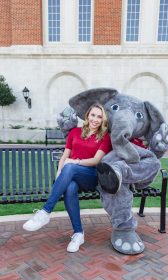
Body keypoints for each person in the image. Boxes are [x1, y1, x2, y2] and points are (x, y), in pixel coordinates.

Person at [23, 104, 112, 252]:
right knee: (69, 187)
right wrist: (60, 173)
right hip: (71, 175)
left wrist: (74, 162)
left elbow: (96, 160)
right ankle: (78, 234)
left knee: (70, 166)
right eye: (93, 115)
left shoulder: (105, 136)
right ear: (87, 115)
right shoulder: (75, 132)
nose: (95, 119)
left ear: (103, 120)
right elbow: (65, 156)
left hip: (90, 176)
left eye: (99, 116)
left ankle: (45, 212)